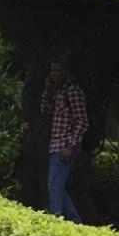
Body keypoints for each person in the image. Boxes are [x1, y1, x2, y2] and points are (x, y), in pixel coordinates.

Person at [40, 57, 89, 223]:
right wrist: (48, 89)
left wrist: (70, 145)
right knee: (57, 186)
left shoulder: (74, 92)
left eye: (57, 70)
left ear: (66, 71)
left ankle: (56, 224)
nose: (53, 74)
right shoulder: (60, 91)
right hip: (56, 144)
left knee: (54, 186)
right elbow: (46, 109)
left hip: (65, 145)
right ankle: (77, 223)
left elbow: (82, 121)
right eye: (52, 70)